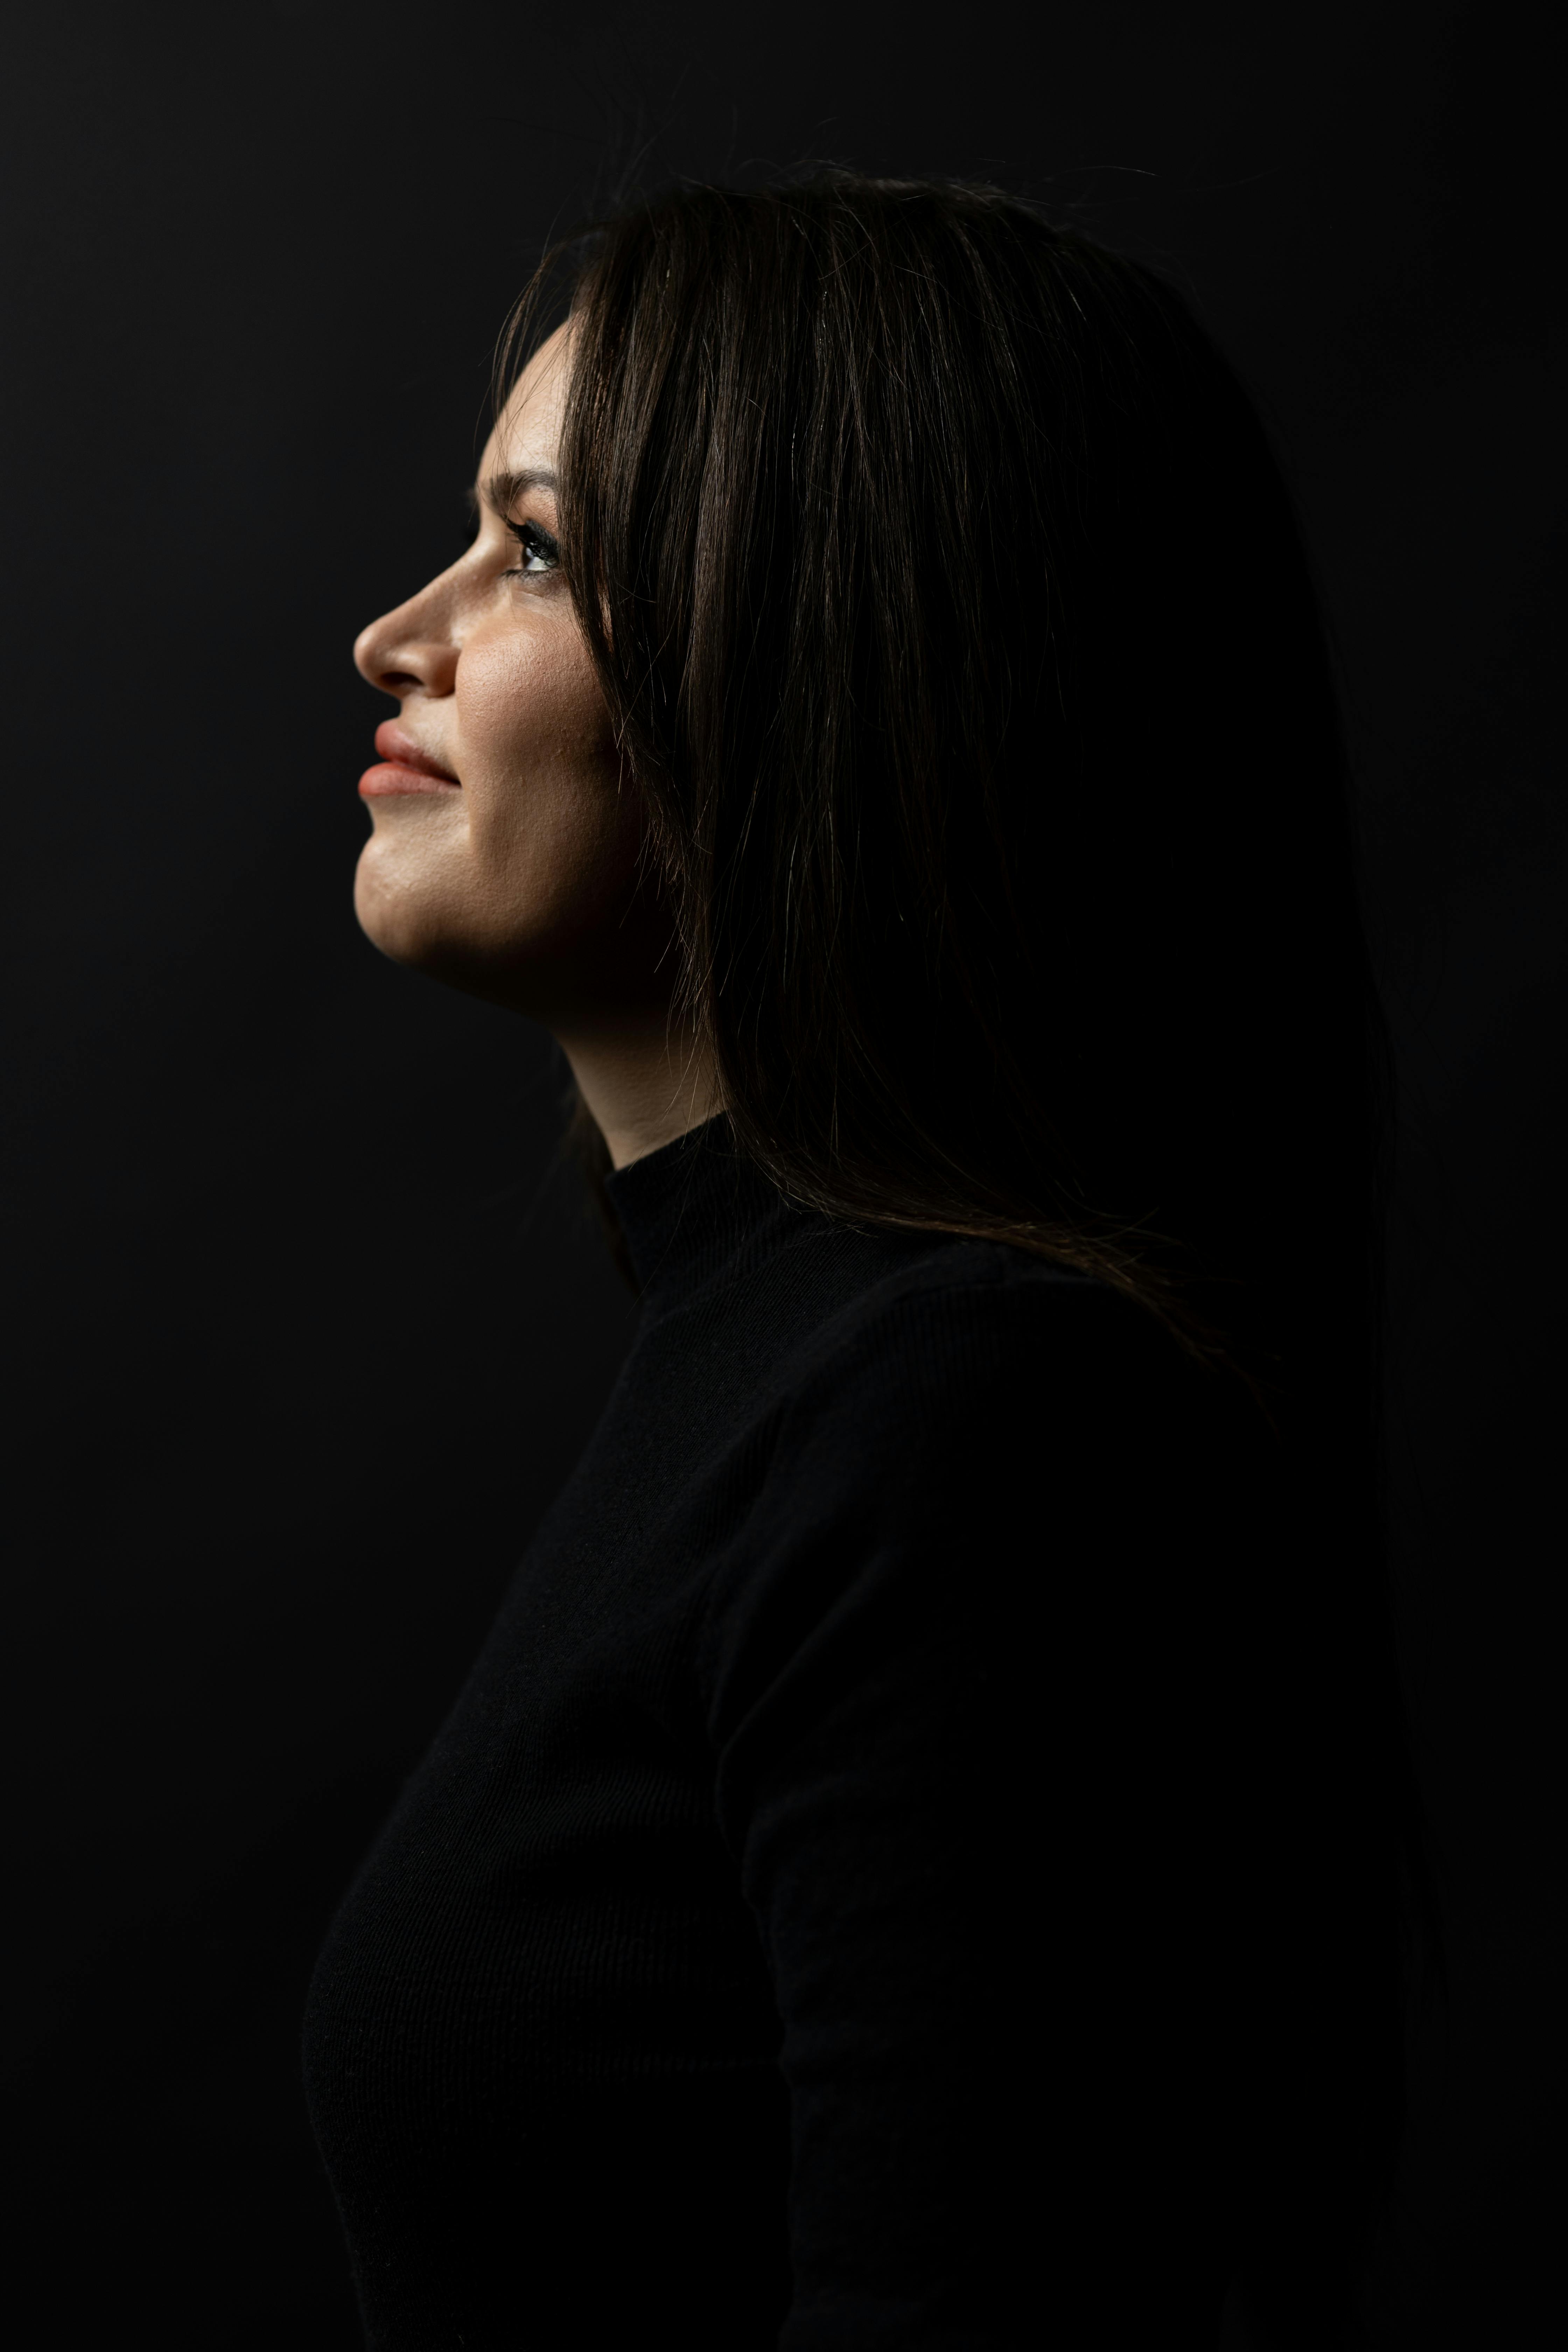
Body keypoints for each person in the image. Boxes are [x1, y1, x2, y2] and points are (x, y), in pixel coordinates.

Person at [302, 172, 1431, 2349]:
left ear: (825, 636)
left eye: (537, 551)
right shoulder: (777, 1384)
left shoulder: (959, 1427)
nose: (404, 631)